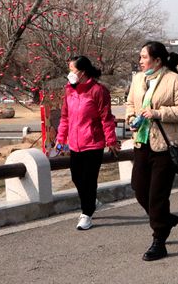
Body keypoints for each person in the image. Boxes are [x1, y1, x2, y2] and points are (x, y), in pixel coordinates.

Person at [126, 41, 178, 261]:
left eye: (144, 57)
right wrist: (130, 118)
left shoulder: (174, 80)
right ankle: (165, 219)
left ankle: (159, 240)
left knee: (157, 196)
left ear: (157, 60)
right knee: (139, 189)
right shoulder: (138, 79)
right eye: (140, 57)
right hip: (142, 142)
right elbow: (130, 103)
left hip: (164, 146)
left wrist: (158, 113)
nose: (140, 61)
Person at [55, 56, 119, 230]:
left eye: (72, 70)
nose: (69, 74)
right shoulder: (69, 90)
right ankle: (91, 201)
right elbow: (65, 117)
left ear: (82, 72)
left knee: (89, 180)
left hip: (93, 143)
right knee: (76, 178)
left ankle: (86, 214)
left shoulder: (98, 91)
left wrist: (111, 140)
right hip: (75, 144)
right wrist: (60, 139)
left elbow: (106, 119)